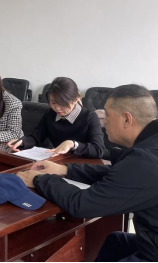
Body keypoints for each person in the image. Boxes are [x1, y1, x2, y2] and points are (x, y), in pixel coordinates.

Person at [17, 85, 158, 262]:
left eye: (107, 115)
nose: (103, 122)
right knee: (116, 241)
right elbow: (120, 174)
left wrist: (40, 179)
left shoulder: (146, 161)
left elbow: (82, 204)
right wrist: (65, 170)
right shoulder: (150, 149)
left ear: (126, 119)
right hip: (150, 240)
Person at [7, 77, 105, 158]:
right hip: (57, 161)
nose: (57, 108)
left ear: (76, 100)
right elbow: (36, 137)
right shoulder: (51, 113)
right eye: (53, 103)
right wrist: (23, 142)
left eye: (62, 104)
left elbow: (98, 150)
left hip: (82, 165)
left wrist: (73, 144)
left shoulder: (89, 117)